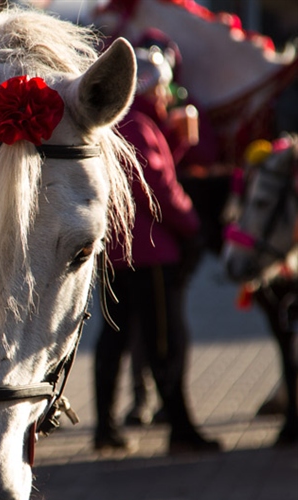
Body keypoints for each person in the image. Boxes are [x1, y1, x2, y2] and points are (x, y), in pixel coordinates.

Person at [93, 36, 221, 455]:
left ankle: (106, 427)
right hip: (151, 257)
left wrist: (178, 141)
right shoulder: (142, 126)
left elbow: (155, 174)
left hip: (117, 253)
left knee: (113, 340)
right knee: (165, 342)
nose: (170, 96)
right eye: (165, 88)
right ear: (150, 88)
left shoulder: (121, 125)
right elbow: (161, 190)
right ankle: (180, 428)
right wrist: (194, 225)